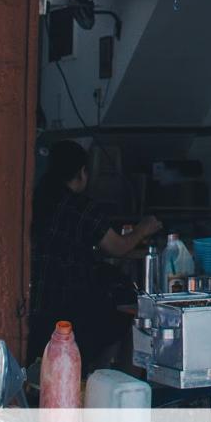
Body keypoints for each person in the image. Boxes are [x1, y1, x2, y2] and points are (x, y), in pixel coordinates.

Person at [27, 141, 162, 364]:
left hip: (37, 307)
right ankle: (103, 382)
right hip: (71, 307)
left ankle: (92, 379)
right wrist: (143, 229)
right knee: (126, 324)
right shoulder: (81, 207)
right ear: (81, 173)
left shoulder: (37, 201)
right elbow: (118, 247)